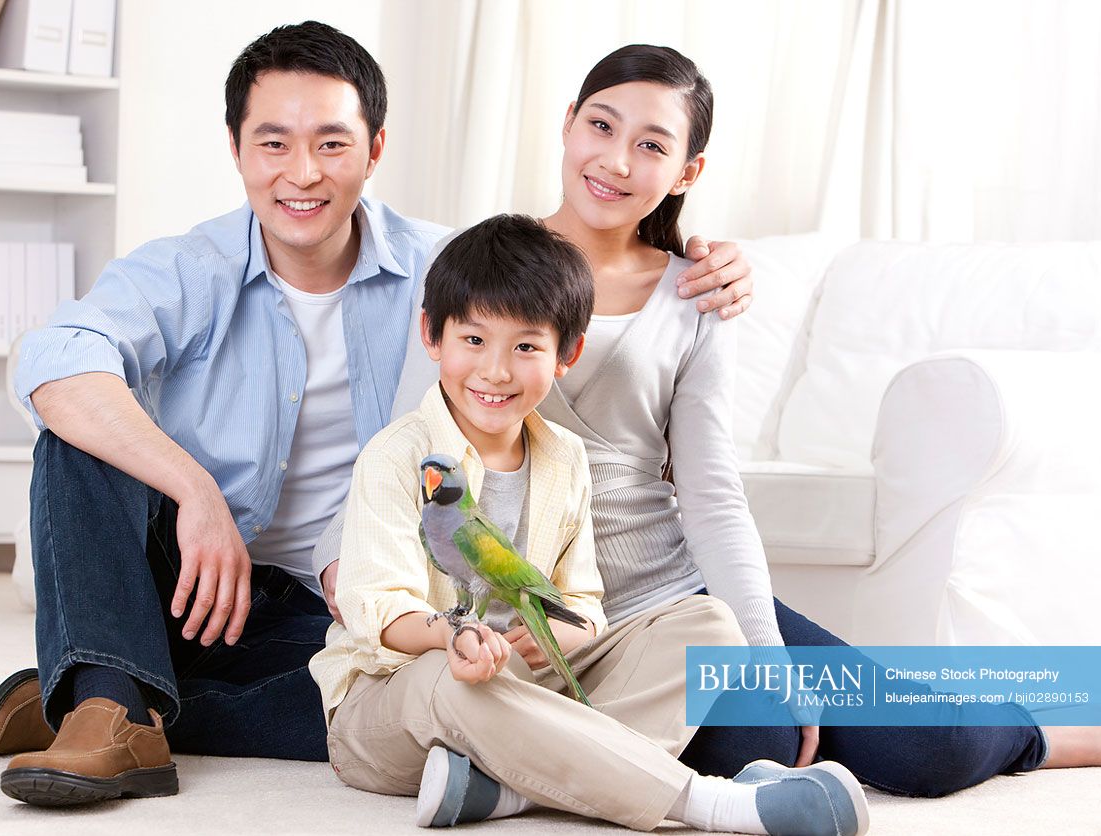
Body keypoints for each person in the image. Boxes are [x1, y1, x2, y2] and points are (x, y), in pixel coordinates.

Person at [0, 22, 753, 807]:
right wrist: (196, 494)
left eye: (332, 145)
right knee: (73, 439)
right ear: (237, 149)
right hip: (196, 578)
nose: (302, 174)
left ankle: (94, 687)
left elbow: (571, 313)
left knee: (402, 707)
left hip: (384, 602)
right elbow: (55, 360)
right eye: (272, 144)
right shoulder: (189, 269)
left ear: (376, 150)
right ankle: (107, 704)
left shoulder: (446, 271)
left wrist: (712, 257)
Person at [389, 42, 1101, 802]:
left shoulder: (695, 294)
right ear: (567, 125)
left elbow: (711, 494)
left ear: (686, 171)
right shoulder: (471, 267)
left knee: (923, 749)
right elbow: (405, 447)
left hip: (668, 607)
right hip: (529, 619)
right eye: (600, 126)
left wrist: (764, 655)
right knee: (744, 747)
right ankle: (533, 764)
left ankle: (1051, 728)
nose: (617, 161)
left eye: (652, 145)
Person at [316, 213, 869, 834]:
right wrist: (455, 636)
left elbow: (583, 600)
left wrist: (564, 634)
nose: (496, 371)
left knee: (711, 625)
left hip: (529, 681)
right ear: (432, 336)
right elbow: (378, 612)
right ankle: (712, 804)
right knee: (455, 681)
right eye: (474, 341)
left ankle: (513, 789)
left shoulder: (563, 457)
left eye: (526, 346)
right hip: (402, 697)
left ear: (566, 355)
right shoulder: (398, 458)